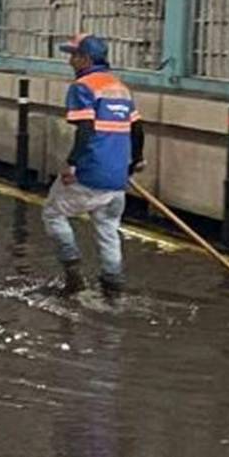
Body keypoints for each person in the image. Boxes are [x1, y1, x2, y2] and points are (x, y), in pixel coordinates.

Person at [41, 33, 145, 297]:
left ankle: (73, 274)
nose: (70, 62)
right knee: (108, 229)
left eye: (73, 56)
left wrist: (72, 164)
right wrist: (136, 161)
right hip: (116, 176)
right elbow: (137, 129)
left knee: (53, 213)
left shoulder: (83, 87)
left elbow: (86, 130)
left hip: (91, 171)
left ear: (85, 59)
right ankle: (112, 285)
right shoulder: (120, 87)